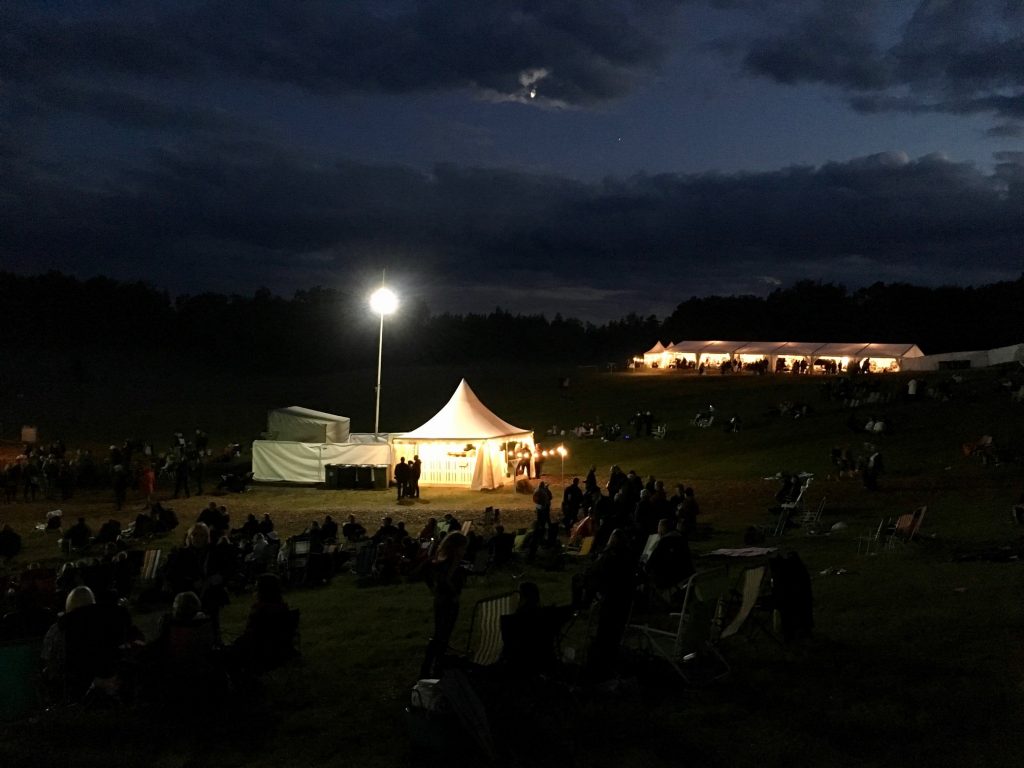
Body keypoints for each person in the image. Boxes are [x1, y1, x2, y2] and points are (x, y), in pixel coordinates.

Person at [420, 532, 468, 678]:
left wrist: (433, 589)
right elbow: (446, 578)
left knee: (439, 633)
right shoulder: (454, 559)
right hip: (448, 600)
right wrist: (454, 594)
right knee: (443, 635)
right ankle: (436, 668)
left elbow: (426, 569)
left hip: (439, 599)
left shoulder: (439, 556)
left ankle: (429, 666)